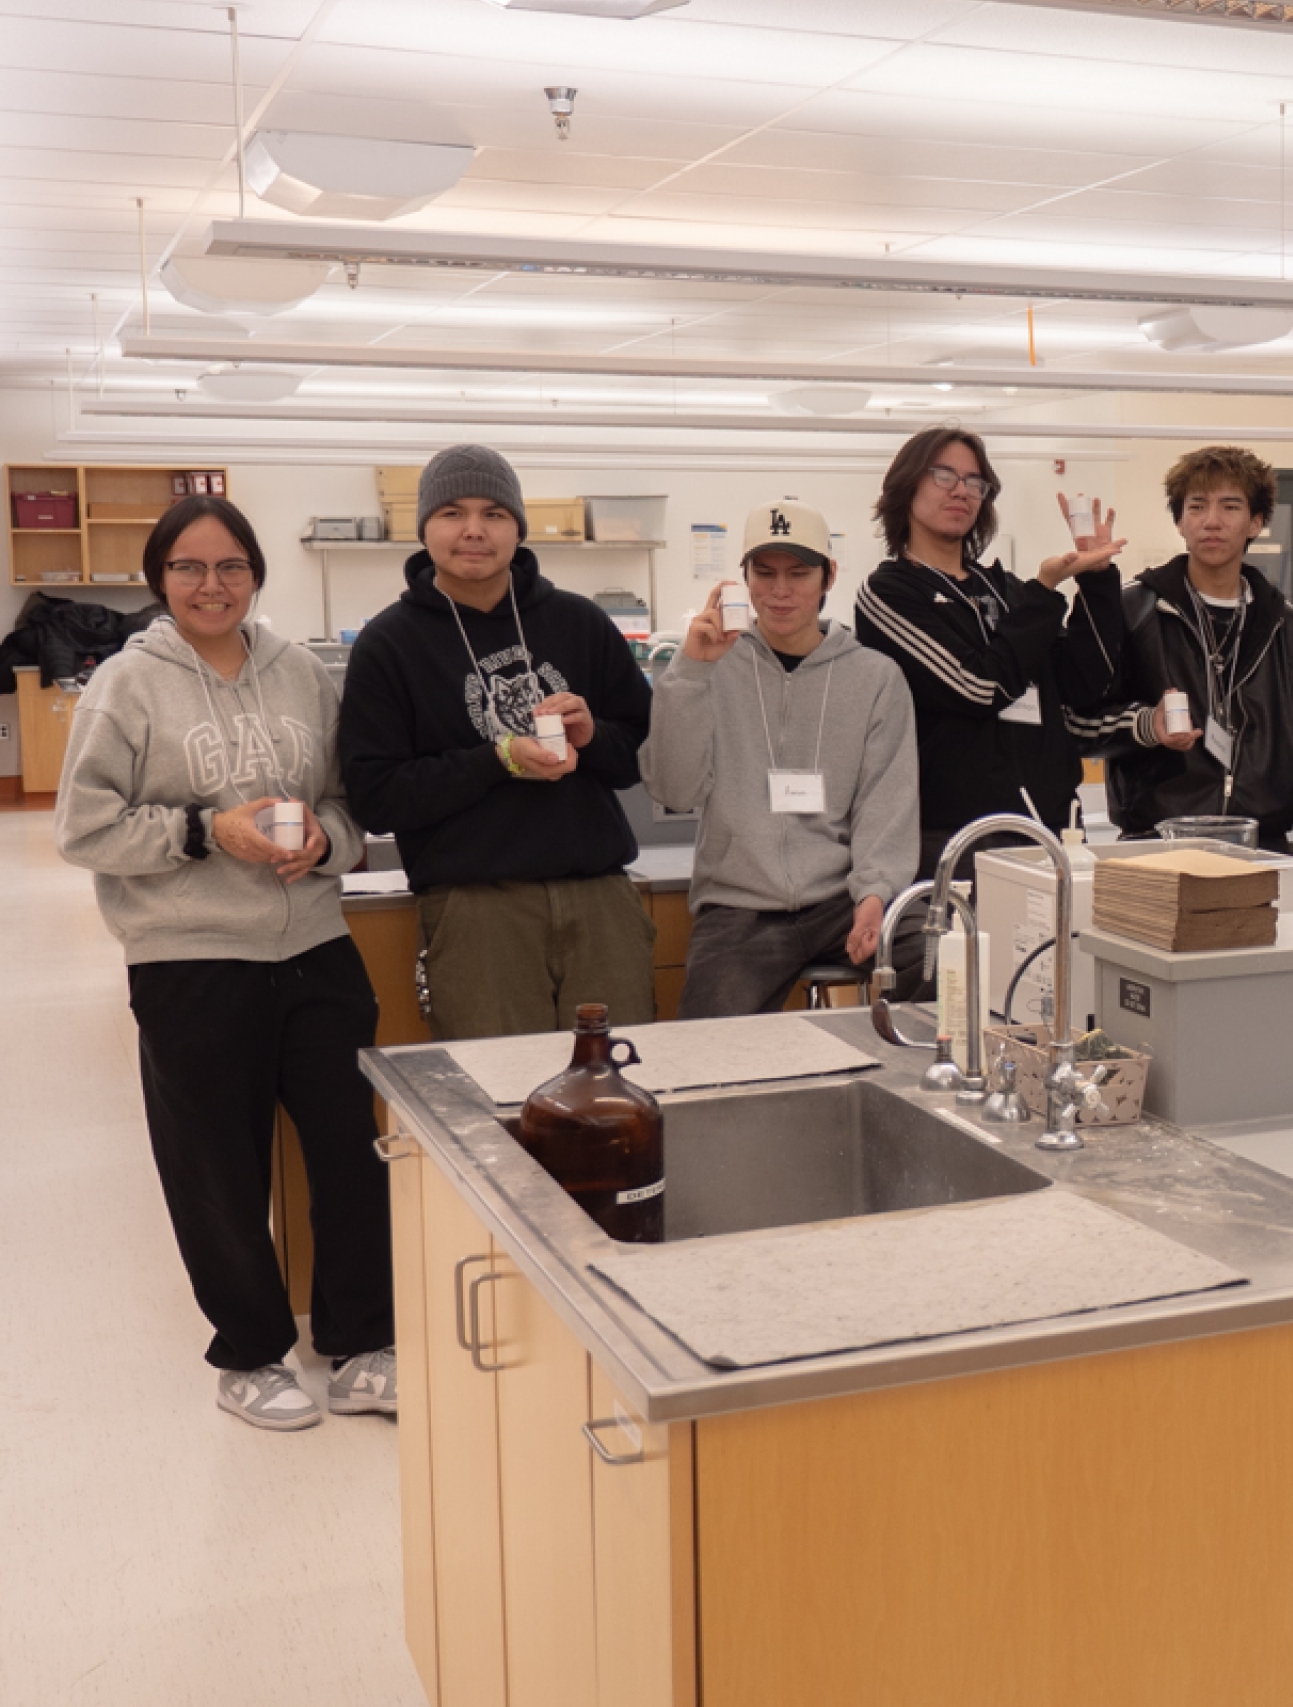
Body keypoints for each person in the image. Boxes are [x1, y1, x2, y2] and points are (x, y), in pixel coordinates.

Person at [56, 496, 394, 1431]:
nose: (212, 586)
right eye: (190, 569)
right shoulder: (127, 684)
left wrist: (322, 844)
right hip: (190, 959)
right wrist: (211, 831)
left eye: (231, 567)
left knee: (350, 1154)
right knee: (218, 1166)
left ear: (256, 574)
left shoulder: (303, 674)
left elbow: (343, 803)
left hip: (316, 947)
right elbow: (82, 828)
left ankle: (363, 1342)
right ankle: (249, 1352)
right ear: (160, 580)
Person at [339, 445, 656, 1041]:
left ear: (517, 528)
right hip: (476, 909)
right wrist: (497, 760)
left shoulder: (579, 622)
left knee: (616, 1088)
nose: (474, 531)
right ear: (425, 529)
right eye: (453, 513)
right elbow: (377, 796)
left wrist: (593, 738)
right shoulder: (389, 645)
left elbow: (639, 754)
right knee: (498, 1097)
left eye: (494, 514)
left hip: (600, 900)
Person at [640, 501, 919, 1017]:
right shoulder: (707, 664)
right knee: (708, 1059)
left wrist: (875, 895)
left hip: (842, 899)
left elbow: (887, 803)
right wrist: (691, 675)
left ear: (828, 576)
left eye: (799, 573)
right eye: (764, 574)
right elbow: (672, 790)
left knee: (949, 973)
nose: (780, 590)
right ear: (743, 579)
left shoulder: (876, 678)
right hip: (741, 906)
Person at [853, 426, 1126, 881]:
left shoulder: (1005, 590)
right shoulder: (890, 593)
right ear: (907, 485)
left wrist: (1095, 580)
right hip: (956, 839)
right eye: (943, 476)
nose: (961, 491)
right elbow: (979, 687)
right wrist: (1042, 591)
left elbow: (1084, 685)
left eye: (974, 482)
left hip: (1049, 829)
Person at [1086, 446, 1293, 849]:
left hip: (1262, 841)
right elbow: (1080, 722)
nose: (1212, 522)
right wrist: (1145, 726)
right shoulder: (1136, 608)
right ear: (1179, 521)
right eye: (1197, 507)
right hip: (1157, 841)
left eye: (1230, 507)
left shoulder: (1282, 619)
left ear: (1256, 522)